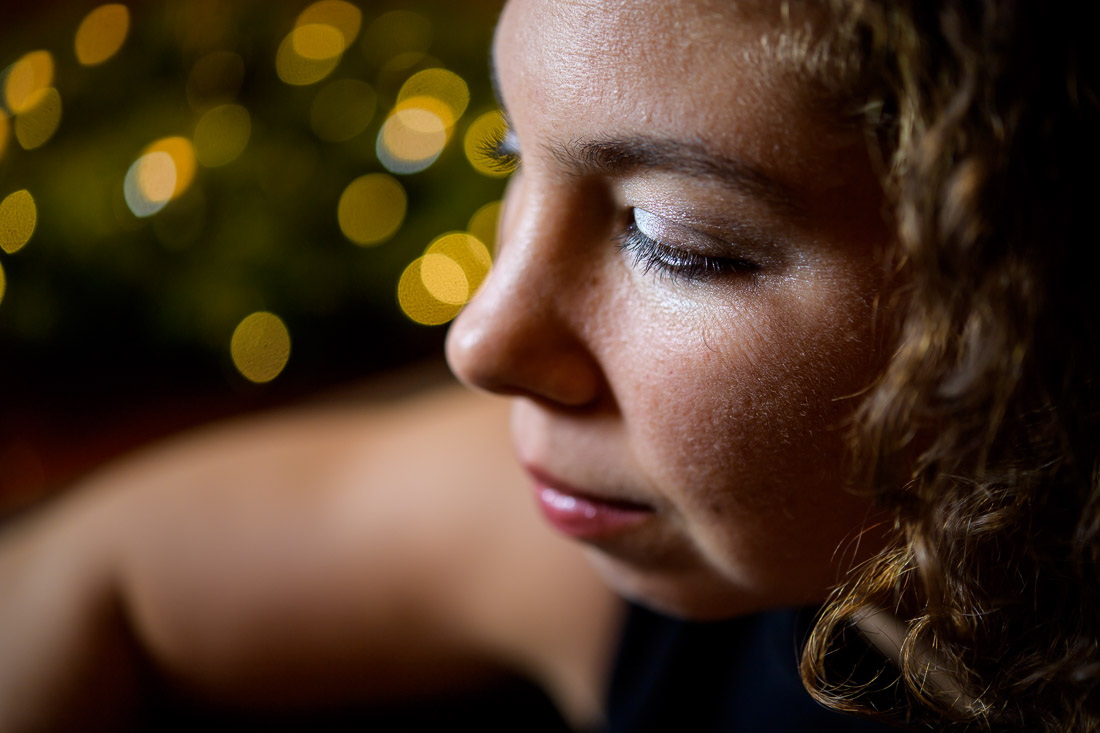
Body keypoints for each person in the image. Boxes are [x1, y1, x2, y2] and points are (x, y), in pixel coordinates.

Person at [1, 0, 1096, 731]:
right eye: (513, 156)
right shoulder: (655, 553)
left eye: (673, 239)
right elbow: (90, 572)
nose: (478, 340)